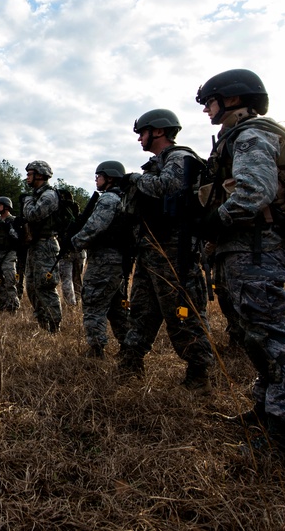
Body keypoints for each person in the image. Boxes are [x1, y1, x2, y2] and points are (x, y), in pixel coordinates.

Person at [197, 68, 285, 466]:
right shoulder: (235, 137)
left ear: (233, 98)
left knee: (272, 340)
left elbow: (254, 192)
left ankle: (284, 440)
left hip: (256, 249)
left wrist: (216, 220)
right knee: (251, 335)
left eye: (211, 100)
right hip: (241, 250)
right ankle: (263, 412)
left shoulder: (252, 134)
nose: (207, 108)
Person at [119, 109, 214, 392]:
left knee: (182, 314)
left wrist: (134, 179)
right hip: (150, 251)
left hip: (174, 251)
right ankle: (130, 362)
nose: (139, 138)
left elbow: (166, 186)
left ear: (158, 131)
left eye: (142, 132)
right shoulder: (157, 163)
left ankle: (199, 375)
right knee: (142, 310)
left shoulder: (180, 158)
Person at [71, 161, 133, 359]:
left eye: (99, 175)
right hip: (117, 261)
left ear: (110, 177)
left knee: (93, 303)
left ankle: (96, 349)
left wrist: (74, 242)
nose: (96, 179)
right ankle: (128, 347)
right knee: (116, 307)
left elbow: (94, 227)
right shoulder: (122, 199)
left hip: (104, 261)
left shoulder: (108, 199)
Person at [20, 160, 63, 333]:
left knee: (45, 285)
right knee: (31, 286)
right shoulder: (37, 195)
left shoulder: (49, 195)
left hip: (47, 246)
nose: (27, 177)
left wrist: (27, 201)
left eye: (30, 174)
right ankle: (42, 322)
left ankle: (54, 325)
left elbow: (33, 215)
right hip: (35, 246)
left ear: (40, 174)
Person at [0, 197, 22, 312]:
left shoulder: (13, 221)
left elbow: (18, 238)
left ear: (6, 207)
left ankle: (13, 306)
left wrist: (10, 230)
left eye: (0, 205)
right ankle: (2, 305)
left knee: (9, 279)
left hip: (9, 254)